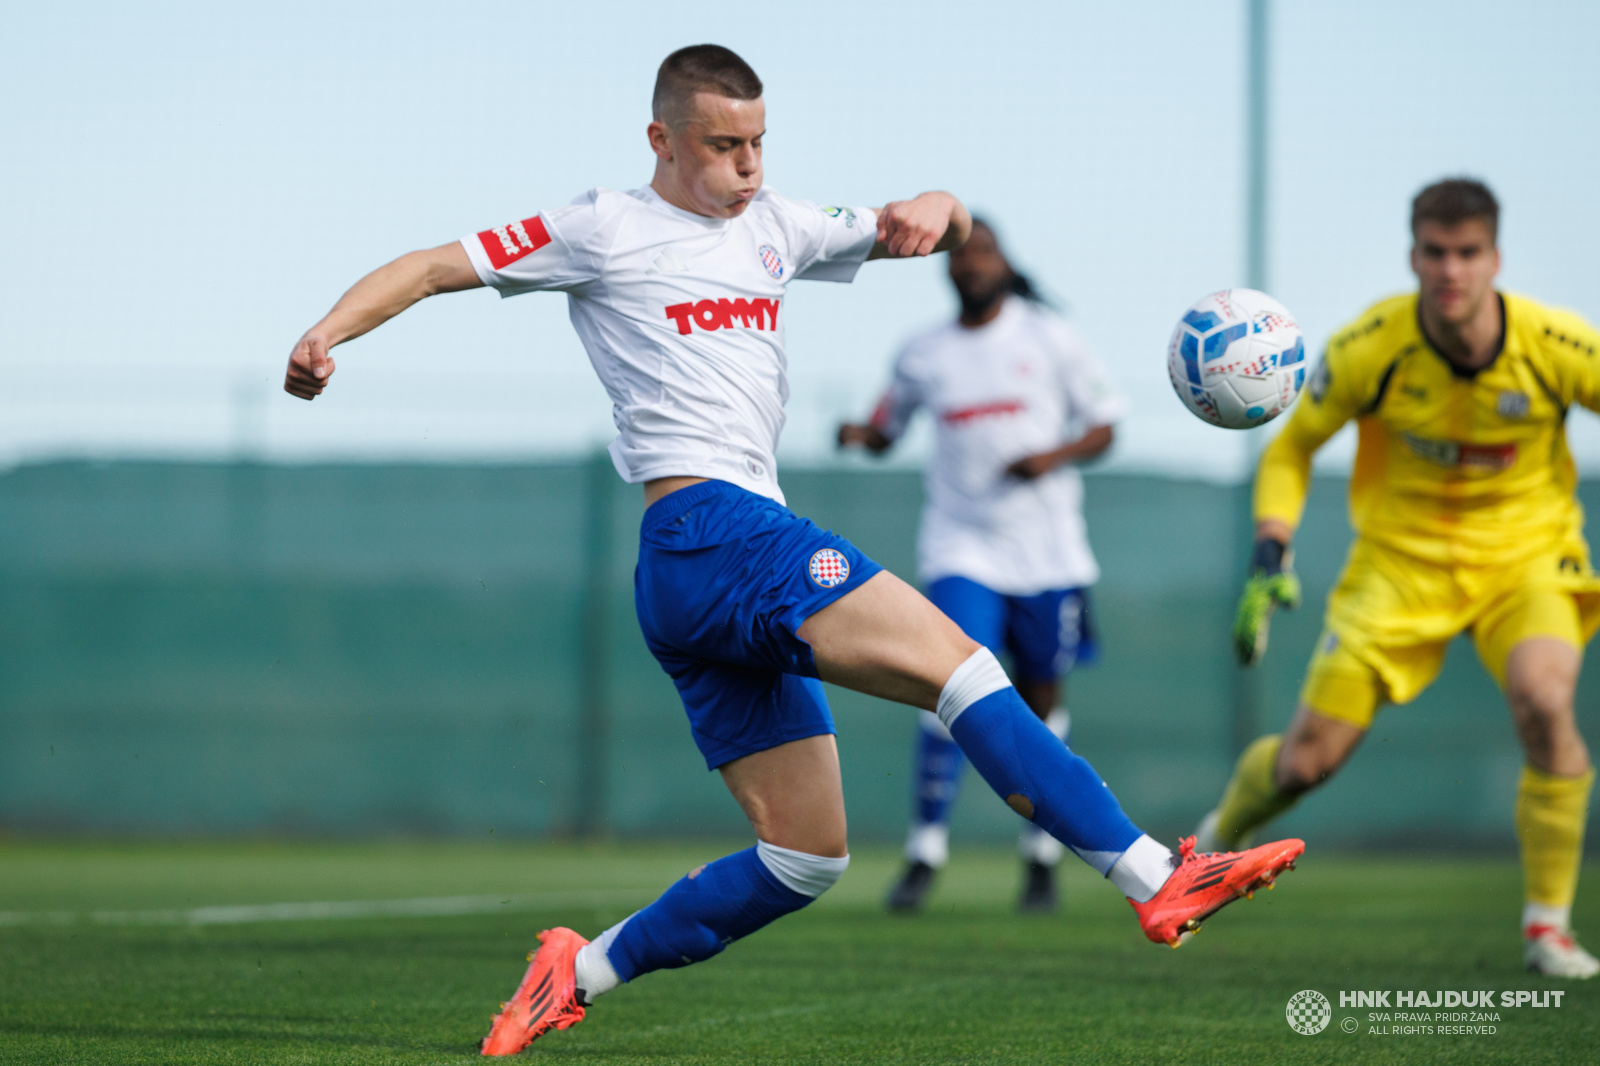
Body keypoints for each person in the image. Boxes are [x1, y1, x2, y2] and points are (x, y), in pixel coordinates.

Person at [284, 44, 1305, 1056]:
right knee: (965, 669)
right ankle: (1154, 874)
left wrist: (937, 201)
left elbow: (938, 225)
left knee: (804, 856)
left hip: (695, 576)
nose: (748, 167)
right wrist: (327, 333)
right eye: (723, 145)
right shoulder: (600, 226)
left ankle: (577, 969)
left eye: (760, 143)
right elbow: (426, 267)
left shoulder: (778, 225)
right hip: (715, 532)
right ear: (662, 139)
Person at [1196, 178, 1600, 978]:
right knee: (1306, 763)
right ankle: (1212, 846)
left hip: (1526, 561)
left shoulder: (1557, 345)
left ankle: (1547, 927)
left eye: (1468, 253)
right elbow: (1292, 447)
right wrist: (1272, 544)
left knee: (1546, 699)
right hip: (1398, 568)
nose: (1451, 270)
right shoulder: (1369, 347)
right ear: (1414, 255)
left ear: (1495, 259)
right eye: (1435, 253)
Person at [838, 219, 1121, 913]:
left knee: (1040, 704)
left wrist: (1050, 458)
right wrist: (860, 435)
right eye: (959, 255)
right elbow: (887, 428)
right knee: (947, 680)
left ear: (1004, 263)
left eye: (983, 252)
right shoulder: (923, 353)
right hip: (960, 547)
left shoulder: (1049, 337)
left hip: (1047, 555)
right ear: (944, 270)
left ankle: (1042, 857)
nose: (971, 265)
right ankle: (924, 854)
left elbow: (1107, 425)